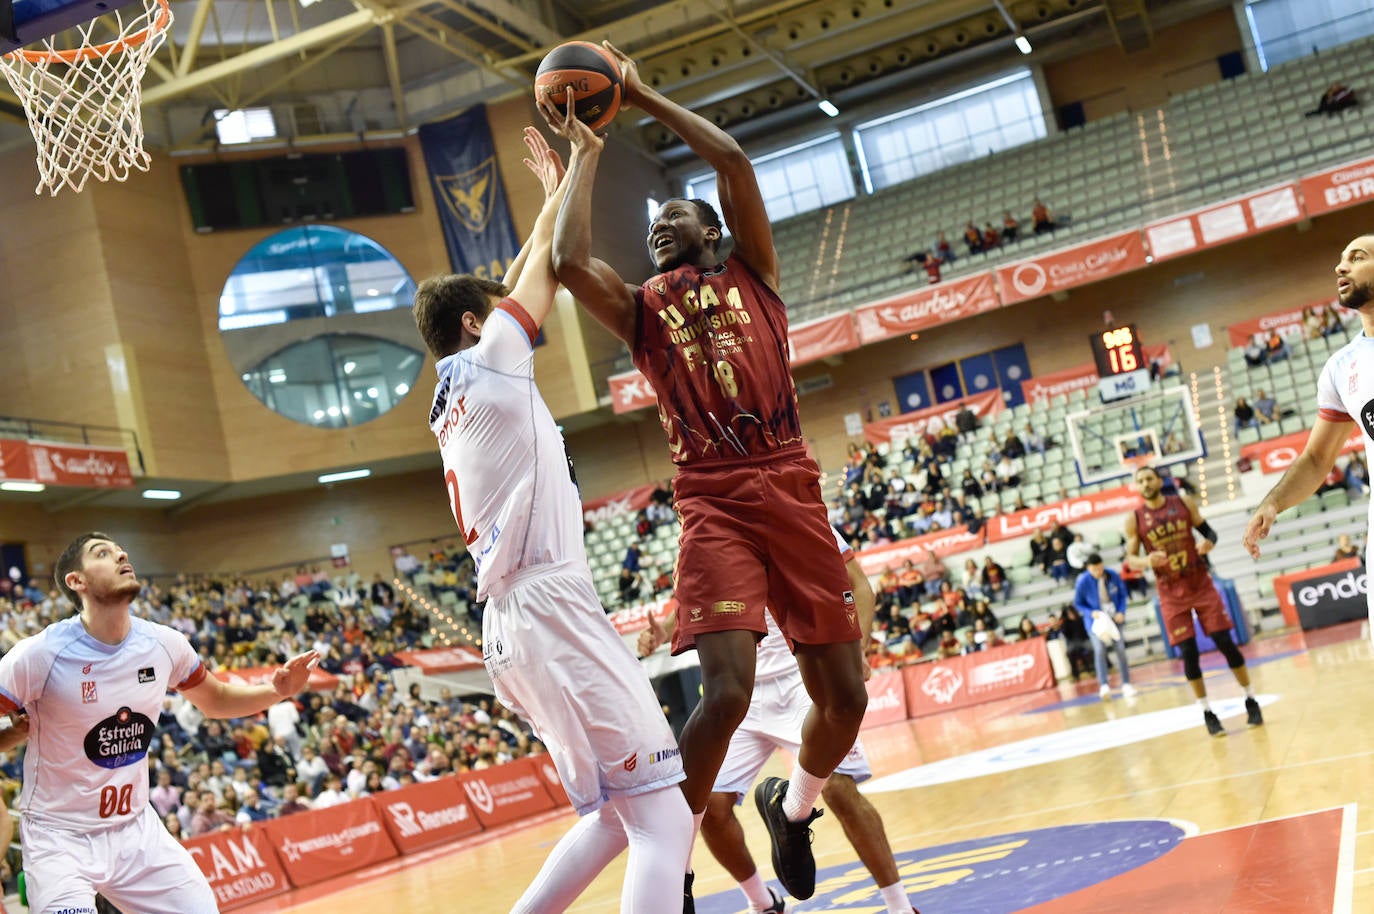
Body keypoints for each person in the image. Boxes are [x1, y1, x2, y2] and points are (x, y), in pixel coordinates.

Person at [545, 43, 868, 907]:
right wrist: (582, 160)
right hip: (714, 501)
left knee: (846, 700)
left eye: (675, 218)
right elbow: (570, 264)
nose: (657, 226)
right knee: (722, 692)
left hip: (790, 484)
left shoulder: (755, 274)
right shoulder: (643, 314)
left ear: (713, 233)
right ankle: (671, 865)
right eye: (650, 225)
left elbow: (729, 159)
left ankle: (793, 809)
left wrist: (641, 94)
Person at [413, 123, 691, 913]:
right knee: (663, 821)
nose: (510, 305)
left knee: (612, 817)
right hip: (548, 606)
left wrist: (547, 198)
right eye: (496, 306)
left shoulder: (457, 387)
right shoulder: (497, 351)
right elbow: (549, 269)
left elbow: (524, 266)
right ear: (478, 324)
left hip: (512, 620)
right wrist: (582, 170)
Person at [0, 532, 319, 914]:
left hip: (136, 829)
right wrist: (8, 737)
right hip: (60, 836)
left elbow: (215, 701)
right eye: (103, 553)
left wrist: (275, 690)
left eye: (121, 550)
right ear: (76, 581)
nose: (121, 554)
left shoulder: (163, 643)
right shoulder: (39, 655)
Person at [641, 529, 918, 914]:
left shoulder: (796, 508)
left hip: (799, 675)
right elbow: (699, 604)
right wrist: (664, 633)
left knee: (839, 790)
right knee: (711, 809)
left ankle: (900, 907)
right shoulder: (707, 528)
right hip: (739, 687)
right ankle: (762, 902)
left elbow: (860, 586)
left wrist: (858, 648)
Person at [1244, 233, 1374, 637]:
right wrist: (1273, 502)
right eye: (1340, 259)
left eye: (1357, 257)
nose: (1340, 267)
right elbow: (1317, 459)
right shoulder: (1342, 367)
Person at [1128, 466, 1262, 736]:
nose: (1145, 483)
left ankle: (1250, 698)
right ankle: (1207, 712)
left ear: (1158, 480)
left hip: (1199, 582)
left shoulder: (1183, 503)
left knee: (1225, 642)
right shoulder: (1134, 519)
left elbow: (1210, 533)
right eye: (1140, 480)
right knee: (1188, 653)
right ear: (1137, 486)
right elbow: (1130, 559)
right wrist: (1145, 560)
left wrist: (1208, 544)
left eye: (1149, 478)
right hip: (1169, 591)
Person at [1072, 554, 1137, 700]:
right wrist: (1090, 612)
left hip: (1114, 618)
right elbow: (1078, 604)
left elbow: (1122, 595)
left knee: (1120, 648)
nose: (1098, 572)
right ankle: (1104, 685)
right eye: (1095, 570)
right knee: (1099, 650)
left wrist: (1121, 611)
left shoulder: (1112, 575)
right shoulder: (1082, 581)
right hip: (1096, 622)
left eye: (1100, 569)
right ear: (1089, 569)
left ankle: (1126, 683)